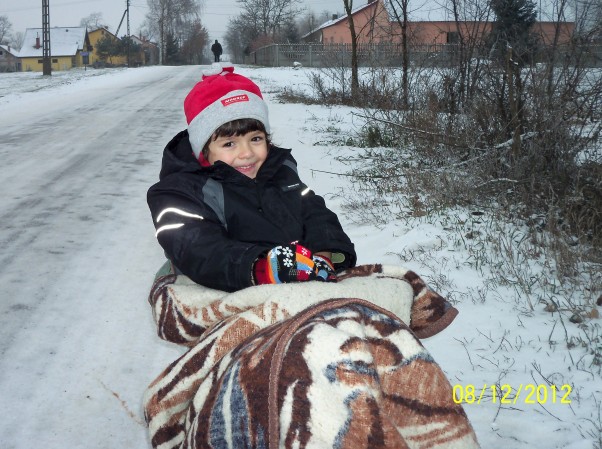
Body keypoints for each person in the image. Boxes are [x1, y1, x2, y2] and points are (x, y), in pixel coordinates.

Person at [147, 63, 356, 292]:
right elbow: (195, 247)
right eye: (229, 144)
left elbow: (315, 212)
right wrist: (259, 268)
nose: (246, 153)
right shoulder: (180, 190)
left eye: (255, 139)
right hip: (215, 284)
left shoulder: (280, 171)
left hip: (291, 278)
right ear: (203, 150)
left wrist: (323, 254)